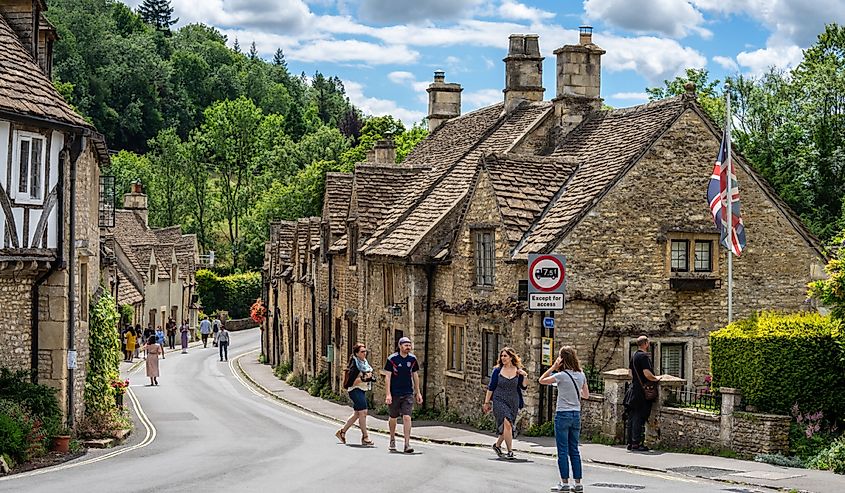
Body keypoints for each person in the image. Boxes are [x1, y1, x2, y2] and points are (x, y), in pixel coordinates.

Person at [539, 346, 590, 493]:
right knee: (574, 450)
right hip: (576, 414)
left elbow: (541, 380)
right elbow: (586, 395)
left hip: (563, 414)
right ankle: (578, 484)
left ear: (561, 359)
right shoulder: (581, 375)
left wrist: (553, 367)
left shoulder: (560, 376)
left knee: (562, 450)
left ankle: (565, 482)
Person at [482, 347, 528, 460]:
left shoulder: (518, 370)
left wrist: (525, 376)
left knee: (507, 426)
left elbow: (524, 387)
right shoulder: (497, 371)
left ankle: (497, 445)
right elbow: (491, 387)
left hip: (513, 401)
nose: (503, 358)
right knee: (507, 423)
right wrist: (486, 402)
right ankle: (510, 451)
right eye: (501, 356)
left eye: (505, 356)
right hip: (499, 399)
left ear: (511, 357)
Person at [383, 336, 422, 453]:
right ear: (400, 346)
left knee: (407, 417)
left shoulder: (413, 359)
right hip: (395, 393)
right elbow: (388, 377)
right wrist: (388, 394)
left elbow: (415, 375)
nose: (408, 347)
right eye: (406, 345)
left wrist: (418, 392)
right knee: (393, 417)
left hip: (407, 392)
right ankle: (392, 439)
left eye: (409, 345)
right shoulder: (392, 359)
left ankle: (407, 444)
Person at [335, 344, 375, 446]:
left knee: (357, 414)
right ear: (356, 353)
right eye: (362, 352)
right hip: (355, 390)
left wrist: (369, 377)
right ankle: (365, 437)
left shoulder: (364, 362)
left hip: (362, 389)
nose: (364, 353)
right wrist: (363, 378)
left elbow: (368, 376)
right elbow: (350, 383)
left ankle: (342, 432)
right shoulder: (355, 365)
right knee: (363, 412)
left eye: (365, 351)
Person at [626, 335, 662, 452]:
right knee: (639, 417)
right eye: (649, 343)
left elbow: (630, 373)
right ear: (646, 343)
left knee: (632, 417)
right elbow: (647, 373)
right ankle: (636, 443)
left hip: (633, 390)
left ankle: (630, 442)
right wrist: (656, 378)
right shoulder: (644, 357)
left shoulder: (634, 356)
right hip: (641, 393)